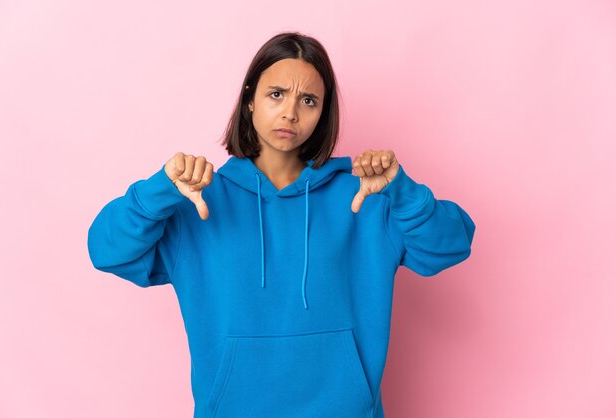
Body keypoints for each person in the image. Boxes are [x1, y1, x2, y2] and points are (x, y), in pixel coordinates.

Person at [87, 31, 476, 418]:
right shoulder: (196, 200)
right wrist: (160, 190)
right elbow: (107, 251)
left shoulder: (365, 198)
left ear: (323, 113)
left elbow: (450, 245)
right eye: (277, 94)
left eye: (308, 100)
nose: (290, 112)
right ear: (250, 99)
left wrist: (401, 191)